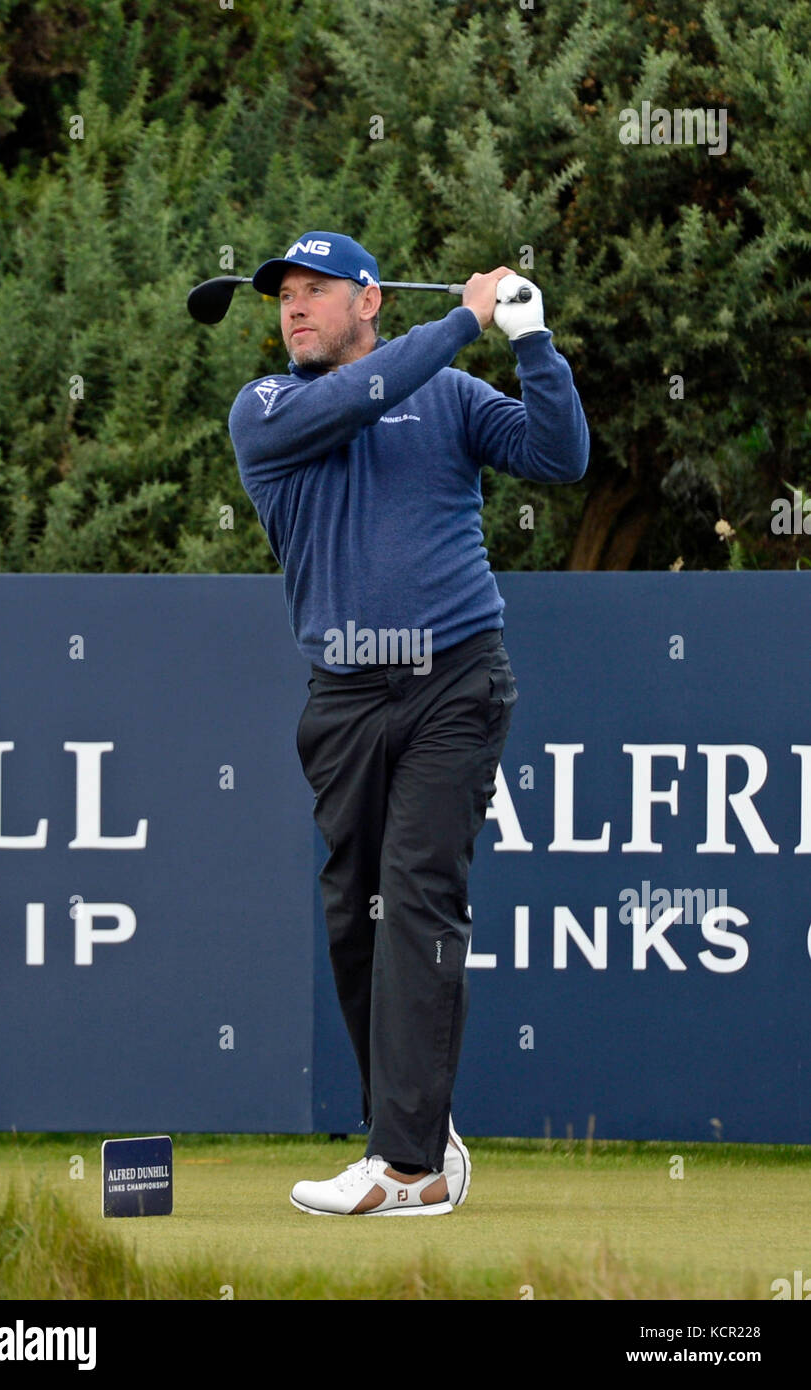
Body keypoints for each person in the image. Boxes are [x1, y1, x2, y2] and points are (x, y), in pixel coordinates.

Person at [228, 230, 589, 1216]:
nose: (293, 308)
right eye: (283, 296)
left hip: (454, 680)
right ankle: (414, 1129)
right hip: (342, 696)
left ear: (369, 300)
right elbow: (364, 396)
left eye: (314, 290)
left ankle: (408, 1163)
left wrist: (529, 344)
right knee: (356, 917)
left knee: (416, 892)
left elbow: (559, 456)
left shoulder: (453, 396)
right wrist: (464, 318)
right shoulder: (269, 409)